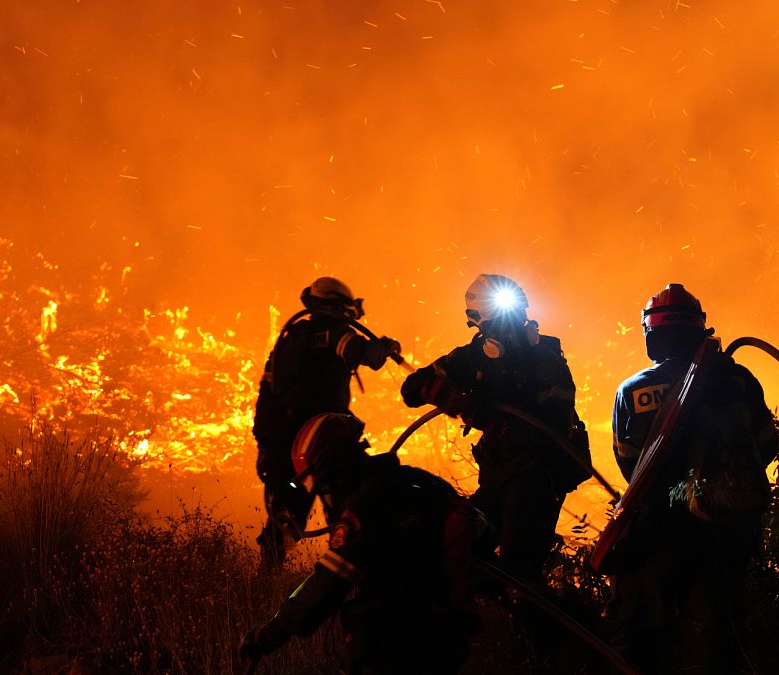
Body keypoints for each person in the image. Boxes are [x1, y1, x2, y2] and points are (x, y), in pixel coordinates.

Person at [609, 283, 779, 674]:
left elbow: (630, 467)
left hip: (659, 534)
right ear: (698, 327)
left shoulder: (633, 390)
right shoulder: (738, 380)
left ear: (651, 333)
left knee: (643, 640)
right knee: (723, 638)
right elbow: (766, 445)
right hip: (730, 528)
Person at [239, 413, 480, 674]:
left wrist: (269, 634)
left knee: (365, 619)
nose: (324, 497)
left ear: (339, 468)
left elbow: (329, 583)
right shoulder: (406, 479)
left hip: (409, 631)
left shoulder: (363, 507)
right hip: (445, 623)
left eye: (323, 484)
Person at [400, 273, 590, 584]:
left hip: (538, 474)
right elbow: (411, 389)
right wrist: (439, 392)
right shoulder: (472, 357)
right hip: (498, 475)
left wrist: (489, 419)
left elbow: (552, 428)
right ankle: (492, 614)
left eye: (515, 314)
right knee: (459, 542)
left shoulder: (546, 356)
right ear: (478, 323)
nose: (511, 326)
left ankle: (549, 625)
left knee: (520, 568)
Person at [252, 277, 401, 565]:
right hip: (325, 442)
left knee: (285, 511)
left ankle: (267, 578)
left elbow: (268, 392)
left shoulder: (291, 338)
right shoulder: (334, 332)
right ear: (340, 306)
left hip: (287, 444)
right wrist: (385, 347)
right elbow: (364, 353)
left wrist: (266, 446)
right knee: (347, 507)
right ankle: (348, 576)